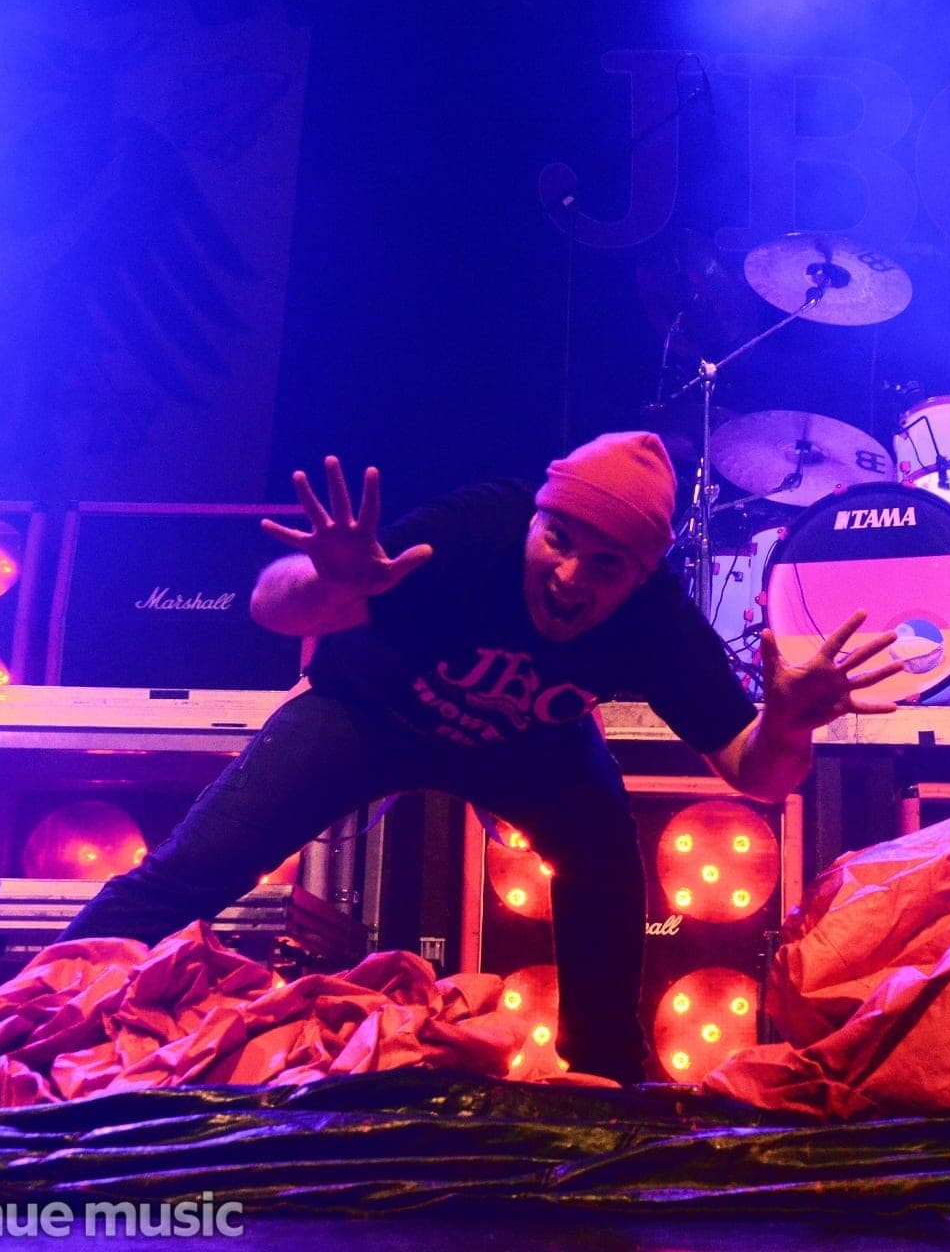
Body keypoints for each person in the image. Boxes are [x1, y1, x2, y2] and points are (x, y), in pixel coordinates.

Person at [59, 432, 903, 1082]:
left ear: (639, 579)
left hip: (530, 749)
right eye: (559, 539)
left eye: (606, 567)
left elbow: (757, 774)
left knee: (603, 855)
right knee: (189, 871)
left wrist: (786, 724)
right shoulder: (476, 530)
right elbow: (271, 608)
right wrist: (332, 584)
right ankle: (31, 1015)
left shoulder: (657, 623)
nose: (570, 577)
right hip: (367, 713)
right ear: (534, 519)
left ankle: (606, 1085)